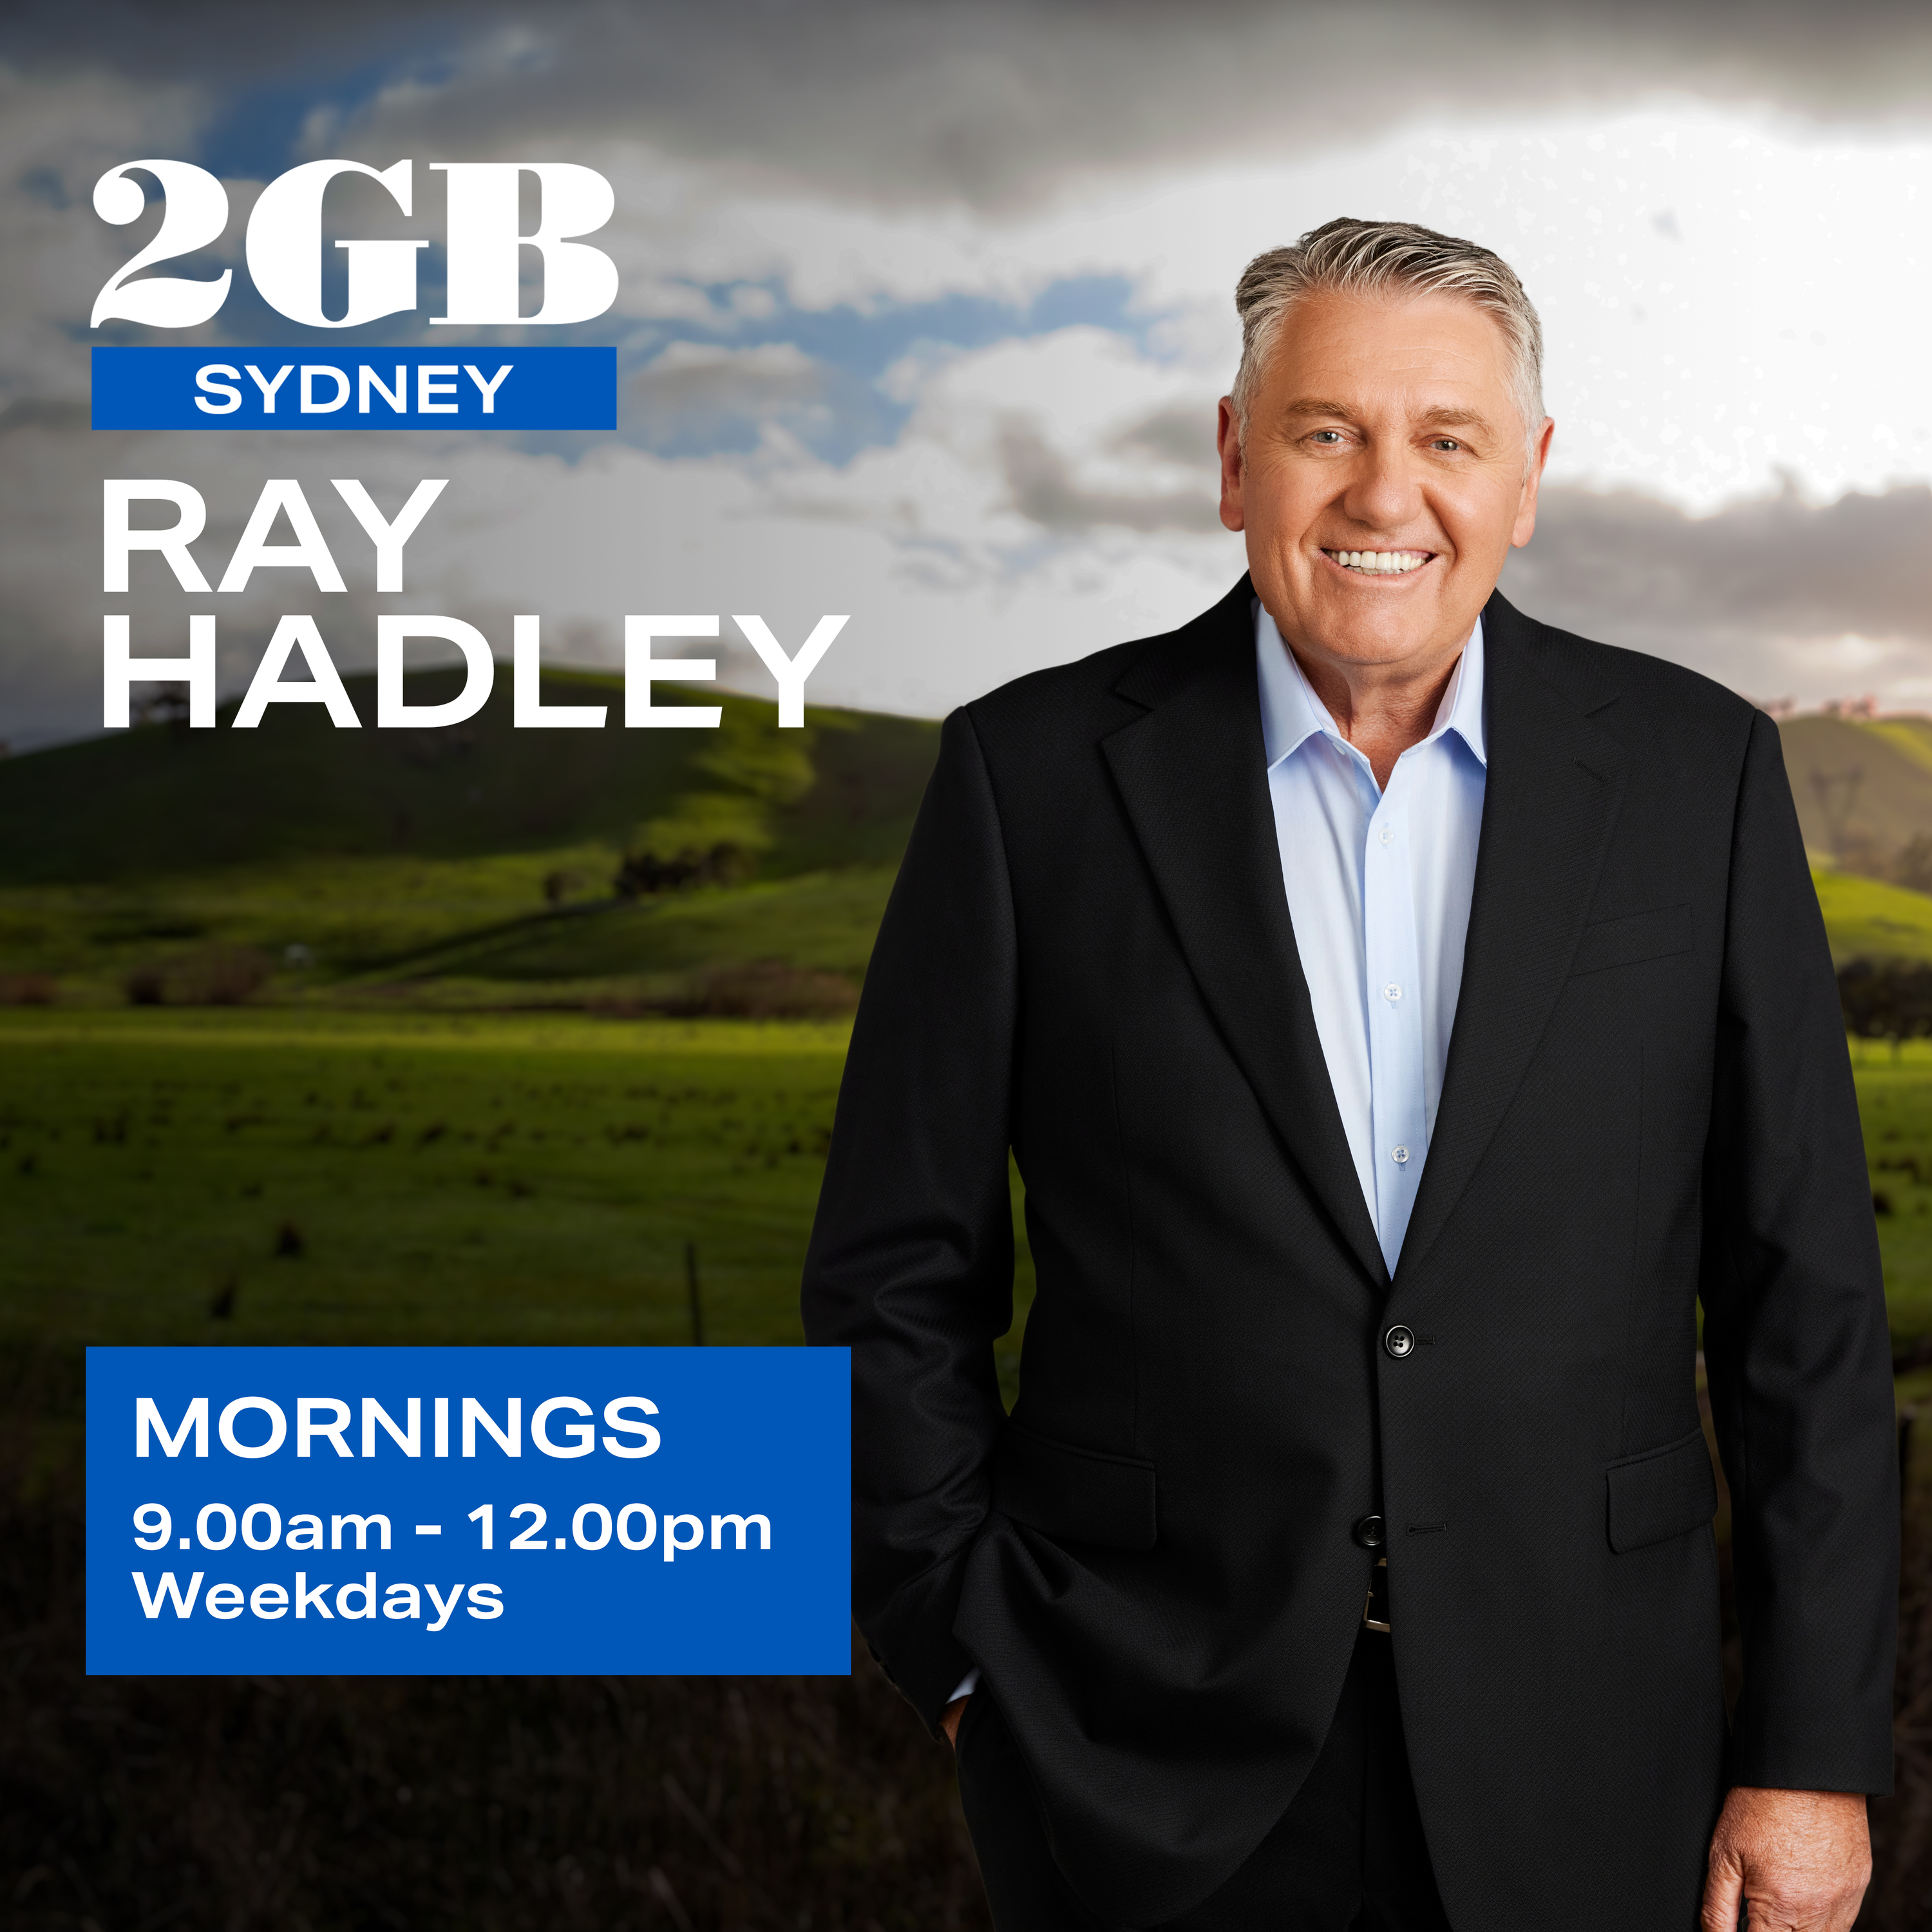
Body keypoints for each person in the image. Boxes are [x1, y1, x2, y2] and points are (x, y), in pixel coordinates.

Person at [800, 218, 1897, 1931]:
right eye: (1327, 432)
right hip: (1141, 1763)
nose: (1387, 496)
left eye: (1446, 439)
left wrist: (1815, 1752)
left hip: (1599, 1757)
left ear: (1526, 477)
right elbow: (892, 1274)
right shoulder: (1030, 782)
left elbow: (1804, 1307)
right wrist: (959, 1649)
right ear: (1235, 459)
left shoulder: (1704, 779)